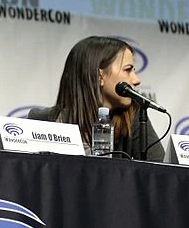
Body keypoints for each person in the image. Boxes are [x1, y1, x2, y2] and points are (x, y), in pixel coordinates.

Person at [29, 35, 163, 161]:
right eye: (128, 70)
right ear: (99, 77)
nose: (136, 80)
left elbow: (159, 174)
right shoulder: (43, 122)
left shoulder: (134, 116)